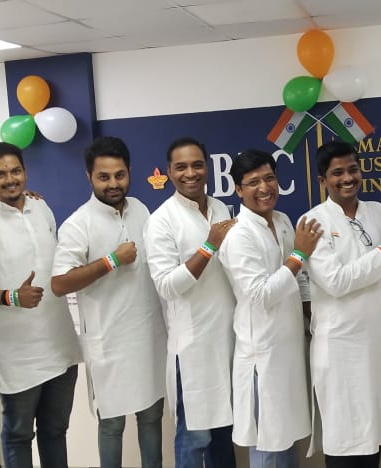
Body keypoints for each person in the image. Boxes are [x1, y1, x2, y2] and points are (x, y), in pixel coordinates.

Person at [0, 142, 82, 468]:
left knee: (55, 431)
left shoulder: (41, 207)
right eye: (0, 174)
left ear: (26, 172)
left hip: (60, 346)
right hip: (15, 357)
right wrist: (11, 296)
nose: (10, 179)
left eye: (16, 171)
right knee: (18, 436)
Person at [51, 136, 167, 468]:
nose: (113, 184)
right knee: (112, 424)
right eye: (104, 177)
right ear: (89, 176)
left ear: (129, 172)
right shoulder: (79, 224)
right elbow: (59, 283)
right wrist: (110, 261)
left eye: (120, 175)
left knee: (151, 416)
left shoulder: (141, 210)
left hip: (148, 337)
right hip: (109, 343)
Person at [301, 141, 381, 468]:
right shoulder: (312, 222)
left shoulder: (379, 213)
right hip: (340, 347)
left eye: (352, 169)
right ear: (323, 180)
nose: (347, 178)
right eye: (337, 173)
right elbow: (336, 282)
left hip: (378, 344)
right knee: (344, 437)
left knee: (374, 432)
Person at [218, 149, 322, 468]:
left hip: (289, 351)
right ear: (238, 189)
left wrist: (313, 318)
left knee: (287, 441)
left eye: (269, 178)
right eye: (253, 182)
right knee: (268, 446)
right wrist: (299, 255)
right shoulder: (238, 235)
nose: (264, 188)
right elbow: (261, 295)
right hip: (261, 357)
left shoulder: (283, 221)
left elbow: (299, 280)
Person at [143, 137, 238, 468]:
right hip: (193, 348)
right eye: (181, 167)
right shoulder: (161, 220)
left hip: (229, 339)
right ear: (169, 172)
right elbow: (167, 286)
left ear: (207, 168)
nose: (191, 173)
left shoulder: (220, 208)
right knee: (195, 436)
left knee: (225, 431)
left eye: (197, 165)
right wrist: (208, 247)